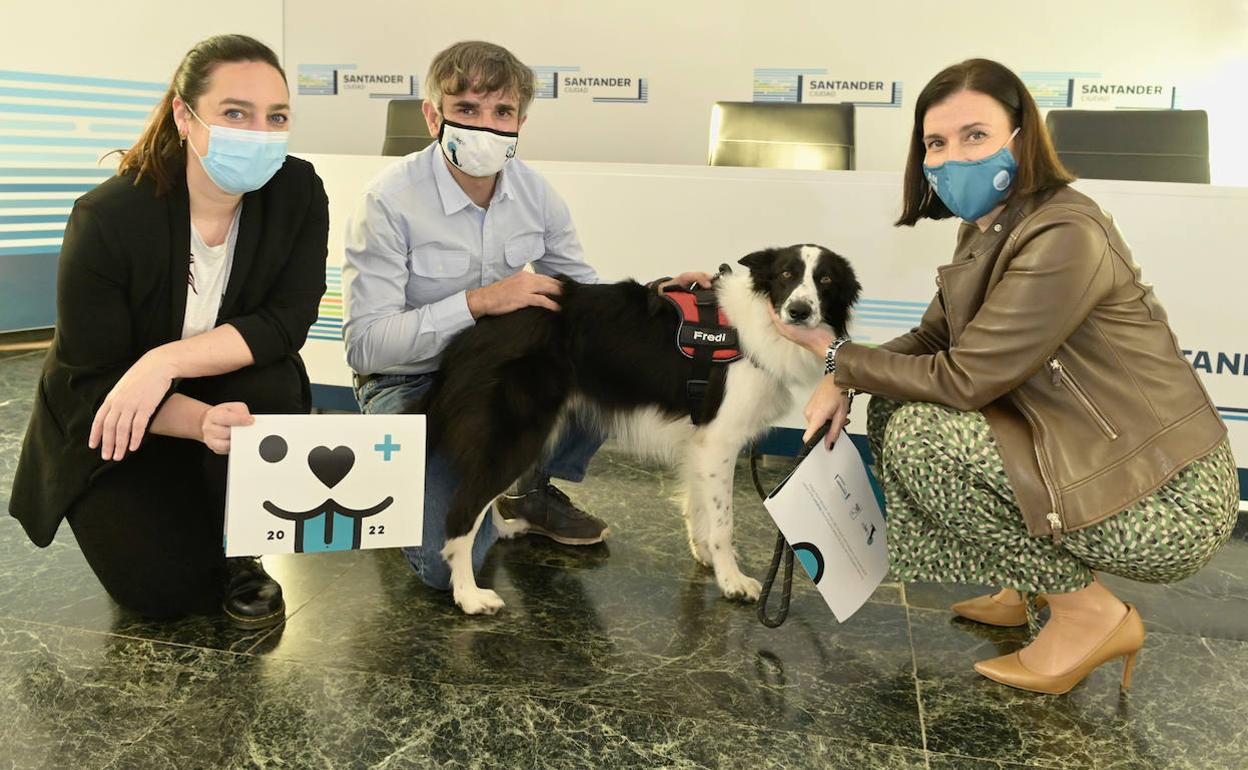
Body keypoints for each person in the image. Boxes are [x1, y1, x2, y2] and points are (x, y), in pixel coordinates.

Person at [774, 58, 1237, 694]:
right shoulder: (990, 228)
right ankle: (1026, 585)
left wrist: (839, 361)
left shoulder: (1064, 233)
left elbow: (964, 379)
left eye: (975, 136)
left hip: (1162, 491)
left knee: (923, 438)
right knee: (892, 406)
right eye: (935, 143)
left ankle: (1087, 615)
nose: (950, 157)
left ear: (1022, 138)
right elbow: (934, 338)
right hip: (1078, 451)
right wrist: (845, 376)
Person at [344, 40, 707, 592]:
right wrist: (477, 303)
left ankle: (525, 486)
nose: (486, 127)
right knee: (446, 568)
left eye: (502, 112)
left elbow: (584, 300)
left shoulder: (536, 194)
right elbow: (366, 347)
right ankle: (417, 481)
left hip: (504, 370)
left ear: (521, 122)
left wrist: (659, 293)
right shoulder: (388, 201)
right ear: (432, 115)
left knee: (610, 371)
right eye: (466, 110)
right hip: (410, 380)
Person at [8, 34, 329, 629]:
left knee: (270, 382)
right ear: (185, 115)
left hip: (218, 392)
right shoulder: (108, 218)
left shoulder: (297, 191)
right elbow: (96, 375)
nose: (259, 133)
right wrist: (191, 418)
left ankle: (242, 545)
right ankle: (187, 501)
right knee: (163, 594)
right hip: (112, 413)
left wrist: (164, 362)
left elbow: (287, 321)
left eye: (276, 117)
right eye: (235, 113)